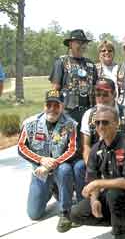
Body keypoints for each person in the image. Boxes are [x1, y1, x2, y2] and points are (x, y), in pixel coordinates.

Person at [70, 105, 125, 239]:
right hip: (112, 195)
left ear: (117, 124)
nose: (100, 126)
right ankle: (118, 221)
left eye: (105, 122)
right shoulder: (96, 149)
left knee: (114, 194)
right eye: (97, 122)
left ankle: (121, 233)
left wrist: (98, 184)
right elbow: (92, 178)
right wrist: (94, 200)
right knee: (76, 213)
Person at [17, 89, 78, 232]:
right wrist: (41, 160)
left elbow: (72, 149)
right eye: (49, 105)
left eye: (56, 105)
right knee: (34, 214)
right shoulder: (30, 124)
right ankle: (51, 191)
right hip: (39, 173)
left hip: (58, 171)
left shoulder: (70, 125)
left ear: (62, 107)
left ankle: (65, 210)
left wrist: (53, 164)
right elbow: (21, 147)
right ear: (44, 106)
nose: (52, 109)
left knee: (65, 169)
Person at [49, 28, 95, 203]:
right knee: (62, 155)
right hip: (66, 116)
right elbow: (55, 90)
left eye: (83, 43)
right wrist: (53, 116)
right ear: (70, 44)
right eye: (78, 42)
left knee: (83, 156)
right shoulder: (61, 62)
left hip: (86, 117)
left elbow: (94, 92)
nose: (81, 45)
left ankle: (83, 193)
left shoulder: (90, 65)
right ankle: (59, 192)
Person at [80, 77, 125, 164]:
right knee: (79, 167)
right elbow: (86, 146)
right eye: (98, 95)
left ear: (114, 94)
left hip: (121, 159)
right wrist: (91, 167)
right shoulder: (88, 115)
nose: (101, 98)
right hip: (96, 159)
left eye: (105, 95)